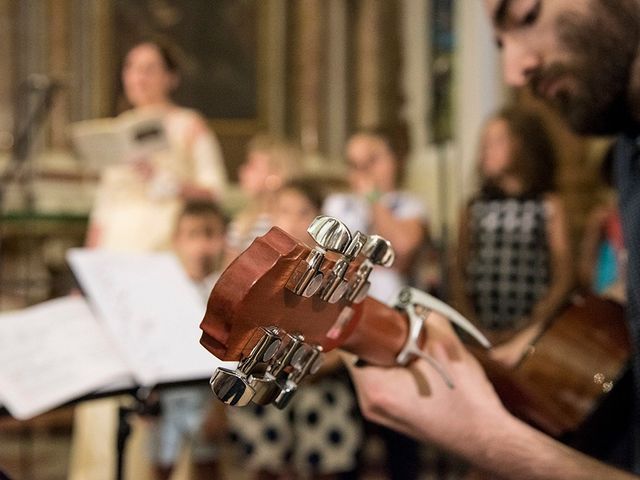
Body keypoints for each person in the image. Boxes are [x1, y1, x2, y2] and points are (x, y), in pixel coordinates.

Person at [345, 0, 640, 478]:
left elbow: (566, 273)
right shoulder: (629, 146)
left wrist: (487, 439)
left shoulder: (554, 202)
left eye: (525, 15)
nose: (514, 72)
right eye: (499, 44)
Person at [225, 178, 363, 480]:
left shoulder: (336, 273)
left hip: (317, 379)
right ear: (271, 217)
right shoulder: (257, 270)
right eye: (284, 210)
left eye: (304, 213)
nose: (293, 220)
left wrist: (306, 365)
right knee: (260, 411)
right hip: (266, 376)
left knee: (322, 412)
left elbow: (345, 341)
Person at [324, 125, 428, 479]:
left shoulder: (410, 205)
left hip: (393, 327)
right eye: (355, 164)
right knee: (347, 429)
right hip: (345, 328)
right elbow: (330, 264)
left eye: (372, 161)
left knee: (400, 431)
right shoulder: (337, 205)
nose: (362, 173)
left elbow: (401, 252)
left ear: (394, 162)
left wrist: (373, 202)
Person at [451, 107, 573, 368]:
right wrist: (472, 324)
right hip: (480, 331)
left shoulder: (548, 205)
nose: (487, 150)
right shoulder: (473, 208)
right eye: (484, 142)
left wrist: (531, 326)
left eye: (497, 141)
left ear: (524, 145)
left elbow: (563, 276)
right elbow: (458, 272)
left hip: (531, 334)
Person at [86, 39, 228, 252]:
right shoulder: (118, 128)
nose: (138, 78)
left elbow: (215, 193)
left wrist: (165, 181)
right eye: (131, 68)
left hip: (166, 244)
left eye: (148, 69)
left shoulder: (189, 124)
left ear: (171, 77)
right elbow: (104, 206)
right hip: (117, 244)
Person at [148, 200, 228, 480]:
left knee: (207, 467)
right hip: (167, 397)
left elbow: (229, 353)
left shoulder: (223, 290)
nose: (201, 246)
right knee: (161, 467)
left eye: (210, 234)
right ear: (176, 240)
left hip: (206, 396)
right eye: (192, 234)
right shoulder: (162, 288)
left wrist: (220, 408)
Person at [224, 134, 303, 263]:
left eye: (252, 165)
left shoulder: (287, 224)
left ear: (276, 174)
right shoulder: (243, 221)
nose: (242, 170)